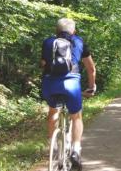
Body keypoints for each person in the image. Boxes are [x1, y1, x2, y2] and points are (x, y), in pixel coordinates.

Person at [41, 18, 96, 169]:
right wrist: (91, 88)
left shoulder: (48, 42)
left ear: (56, 31)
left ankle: (55, 149)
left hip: (49, 84)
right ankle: (76, 150)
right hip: (71, 85)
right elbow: (91, 69)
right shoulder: (79, 42)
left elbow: (43, 64)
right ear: (74, 31)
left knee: (53, 111)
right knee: (76, 116)